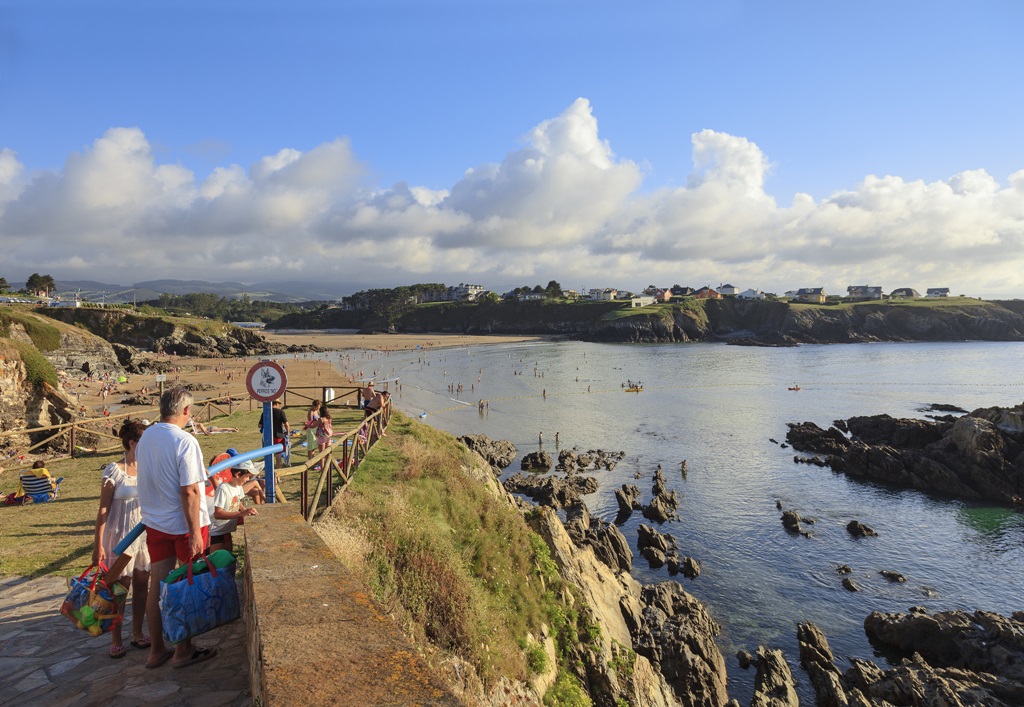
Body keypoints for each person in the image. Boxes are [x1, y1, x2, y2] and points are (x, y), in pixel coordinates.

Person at [135, 387, 216, 670]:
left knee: (157, 584)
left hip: (156, 523)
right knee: (185, 586)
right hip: (183, 524)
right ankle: (183, 649)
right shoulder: (185, 441)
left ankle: (157, 650)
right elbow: (191, 491)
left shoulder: (145, 438)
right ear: (184, 411)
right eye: (190, 410)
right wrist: (195, 532)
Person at [92, 419, 151, 659]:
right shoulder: (113, 470)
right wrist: (98, 546)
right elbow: (103, 510)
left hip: (144, 535)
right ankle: (116, 638)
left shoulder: (149, 468)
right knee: (118, 590)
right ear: (132, 443)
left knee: (141, 586)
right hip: (118, 535)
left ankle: (137, 632)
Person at [208, 461, 259, 553]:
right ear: (238, 474)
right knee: (218, 563)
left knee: (229, 559)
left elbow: (236, 502)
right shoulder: (223, 489)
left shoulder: (238, 487)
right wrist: (241, 513)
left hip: (226, 530)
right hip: (216, 533)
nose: (248, 479)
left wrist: (247, 511)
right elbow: (218, 514)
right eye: (247, 476)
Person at [257, 399, 289, 468]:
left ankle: (269, 472)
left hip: (268, 436)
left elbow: (259, 425)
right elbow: (286, 424)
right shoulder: (281, 412)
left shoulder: (265, 412)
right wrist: (288, 433)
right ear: (277, 404)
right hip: (278, 436)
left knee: (268, 455)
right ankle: (278, 476)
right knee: (278, 456)